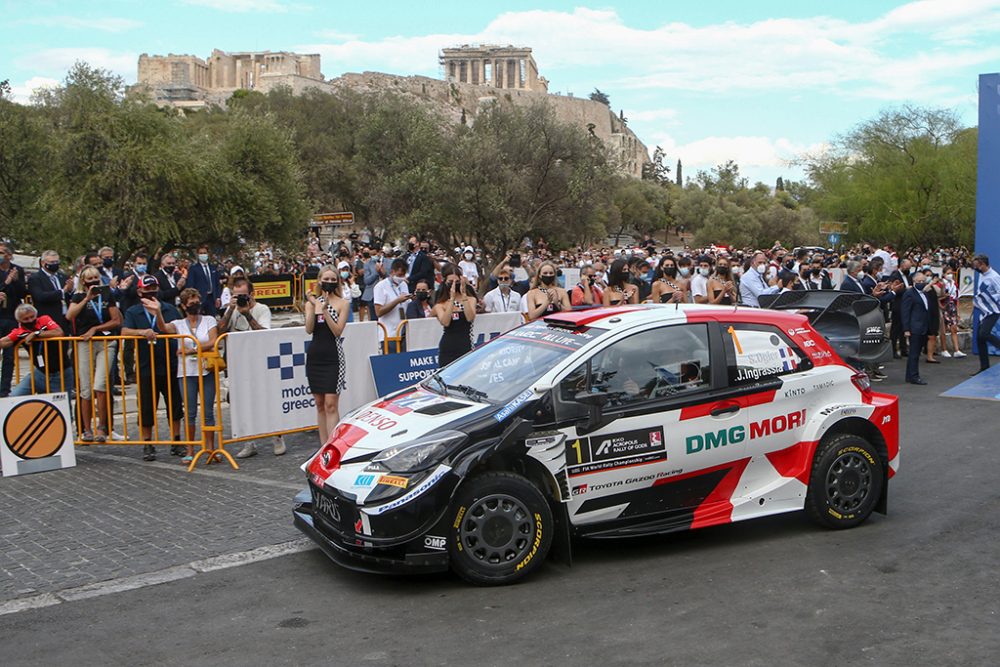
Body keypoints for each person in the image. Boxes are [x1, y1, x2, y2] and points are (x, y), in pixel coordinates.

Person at [120, 275, 184, 461]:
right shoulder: (134, 311)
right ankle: (147, 443)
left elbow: (179, 328)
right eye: (147, 289)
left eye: (154, 288)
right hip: (146, 365)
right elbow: (124, 331)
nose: (151, 292)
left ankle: (177, 441)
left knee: (175, 405)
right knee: (147, 406)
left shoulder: (169, 308)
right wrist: (142, 332)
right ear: (140, 291)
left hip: (170, 363)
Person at [67, 266, 122, 442]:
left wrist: (95, 328)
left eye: (96, 278)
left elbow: (116, 320)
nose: (93, 281)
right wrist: (87, 299)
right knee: (85, 388)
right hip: (84, 343)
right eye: (89, 279)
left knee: (100, 385)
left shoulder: (107, 295)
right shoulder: (78, 296)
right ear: (83, 281)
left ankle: (102, 427)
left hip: (106, 342)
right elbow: (70, 315)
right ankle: (86, 429)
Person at [167, 288, 219, 463]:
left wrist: (193, 349)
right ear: (183, 306)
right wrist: (157, 312)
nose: (195, 306)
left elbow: (213, 340)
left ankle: (210, 447)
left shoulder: (209, 320)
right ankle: (190, 448)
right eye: (191, 303)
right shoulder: (178, 324)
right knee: (189, 411)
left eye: (197, 302)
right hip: (186, 372)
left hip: (206, 369)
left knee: (208, 411)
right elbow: (163, 328)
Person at [304, 266, 350, 446]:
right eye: (326, 279)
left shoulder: (343, 303)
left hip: (333, 357)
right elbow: (308, 329)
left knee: (331, 403)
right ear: (319, 280)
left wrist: (324, 310)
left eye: (333, 279)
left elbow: (338, 331)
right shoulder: (312, 303)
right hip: (315, 356)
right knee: (319, 402)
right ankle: (323, 446)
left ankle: (333, 445)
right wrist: (313, 305)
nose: (329, 282)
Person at [1, 304, 75, 397]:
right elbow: (4, 341)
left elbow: (59, 332)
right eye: (26, 319)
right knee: (14, 397)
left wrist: (36, 334)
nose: (30, 320)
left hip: (61, 374)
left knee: (62, 407)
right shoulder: (19, 331)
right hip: (39, 373)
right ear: (19, 321)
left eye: (32, 317)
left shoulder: (44, 319)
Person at [434, 268, 477, 366]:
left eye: (456, 281)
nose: (454, 284)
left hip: (465, 343)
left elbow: (470, 317)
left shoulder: (471, 299)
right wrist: (452, 298)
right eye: (451, 282)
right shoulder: (440, 304)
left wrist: (464, 295)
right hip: (448, 345)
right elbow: (445, 322)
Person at [0, 243, 27, 397]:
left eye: (3, 252)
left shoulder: (18, 270)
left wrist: (16, 280)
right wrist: (7, 281)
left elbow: (23, 292)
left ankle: (4, 389)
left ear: (9, 255)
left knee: (9, 356)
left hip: (11, 316)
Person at [28, 250, 74, 330]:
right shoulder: (35, 278)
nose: (55, 264)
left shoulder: (63, 276)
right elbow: (40, 296)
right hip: (48, 319)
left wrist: (70, 290)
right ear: (43, 263)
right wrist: (63, 291)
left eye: (57, 261)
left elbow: (69, 295)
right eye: (52, 262)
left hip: (65, 318)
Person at [971, 253, 1000, 375]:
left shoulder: (994, 277)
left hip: (993, 310)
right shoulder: (982, 275)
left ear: (983, 264)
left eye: (977, 265)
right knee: (979, 338)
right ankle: (984, 366)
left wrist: (988, 299)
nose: (975, 268)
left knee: (984, 334)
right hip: (983, 311)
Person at [901, 270, 931, 385]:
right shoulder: (910, 294)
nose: (922, 283)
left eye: (923, 281)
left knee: (917, 353)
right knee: (913, 353)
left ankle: (910, 375)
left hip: (923, 326)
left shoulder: (925, 293)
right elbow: (905, 312)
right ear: (914, 282)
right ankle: (914, 376)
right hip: (914, 327)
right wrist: (906, 329)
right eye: (920, 281)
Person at [374, 259, 412, 350]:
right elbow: (378, 312)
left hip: (404, 332)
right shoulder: (380, 286)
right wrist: (397, 300)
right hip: (388, 334)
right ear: (392, 272)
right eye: (400, 275)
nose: (402, 277)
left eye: (404, 275)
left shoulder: (403, 285)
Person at [186, 245, 222, 316]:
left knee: (211, 318)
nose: (203, 255)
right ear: (198, 255)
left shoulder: (213, 268)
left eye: (204, 253)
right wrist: (193, 298)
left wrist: (218, 297)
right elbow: (190, 285)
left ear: (208, 254)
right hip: (199, 298)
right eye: (201, 253)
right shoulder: (193, 269)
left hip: (212, 298)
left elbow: (217, 284)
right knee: (198, 317)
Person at [937, 269, 965, 359]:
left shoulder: (954, 284)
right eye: (948, 273)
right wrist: (941, 303)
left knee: (954, 328)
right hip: (943, 306)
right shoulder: (940, 283)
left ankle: (957, 350)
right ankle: (944, 349)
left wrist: (957, 311)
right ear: (944, 274)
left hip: (952, 306)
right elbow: (937, 297)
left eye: (951, 273)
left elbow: (957, 298)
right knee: (943, 329)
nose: (950, 275)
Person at [361, 246, 385, 322]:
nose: (376, 255)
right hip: (372, 296)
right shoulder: (368, 264)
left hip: (386, 295)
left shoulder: (389, 262)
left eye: (377, 252)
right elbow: (367, 281)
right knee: (374, 321)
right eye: (373, 253)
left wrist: (382, 272)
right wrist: (376, 272)